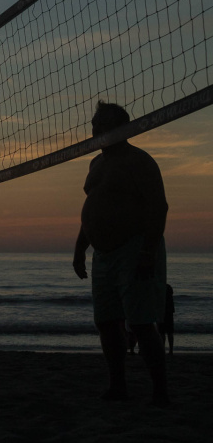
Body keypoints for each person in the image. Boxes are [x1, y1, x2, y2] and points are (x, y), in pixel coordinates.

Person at [72, 101, 170, 406]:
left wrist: (147, 253)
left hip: (134, 248)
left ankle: (160, 391)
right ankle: (118, 386)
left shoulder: (139, 161)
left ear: (121, 128)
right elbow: (92, 210)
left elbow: (158, 207)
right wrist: (79, 249)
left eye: (104, 124)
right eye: (95, 124)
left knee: (141, 323)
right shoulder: (96, 164)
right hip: (102, 254)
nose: (97, 129)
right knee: (106, 322)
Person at [157, 284, 175, 355]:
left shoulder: (159, 289)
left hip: (162, 312)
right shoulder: (168, 288)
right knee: (170, 332)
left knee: (162, 333)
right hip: (169, 312)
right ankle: (171, 350)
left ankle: (162, 349)